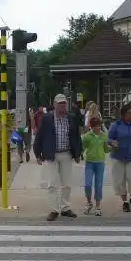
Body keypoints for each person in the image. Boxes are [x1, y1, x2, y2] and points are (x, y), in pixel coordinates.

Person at [33, 93, 83, 221]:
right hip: (51, 155)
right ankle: (54, 209)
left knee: (67, 183)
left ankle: (65, 207)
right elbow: (40, 136)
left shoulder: (71, 118)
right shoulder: (47, 118)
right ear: (55, 104)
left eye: (64, 104)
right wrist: (37, 154)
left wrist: (78, 153)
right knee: (52, 184)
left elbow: (76, 136)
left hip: (66, 153)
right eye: (59, 104)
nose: (62, 106)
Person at [107, 103, 131, 212]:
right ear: (124, 114)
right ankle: (125, 202)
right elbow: (109, 138)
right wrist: (112, 142)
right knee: (120, 181)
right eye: (130, 113)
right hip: (118, 156)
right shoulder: (115, 125)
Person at [81, 116, 109, 216]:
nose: (97, 128)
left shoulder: (104, 136)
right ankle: (89, 203)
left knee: (99, 184)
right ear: (91, 127)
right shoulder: (87, 136)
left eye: (99, 126)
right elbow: (83, 148)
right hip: (89, 162)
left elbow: (106, 149)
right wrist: (78, 155)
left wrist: (112, 147)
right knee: (87, 184)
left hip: (100, 162)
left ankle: (98, 206)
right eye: (95, 126)